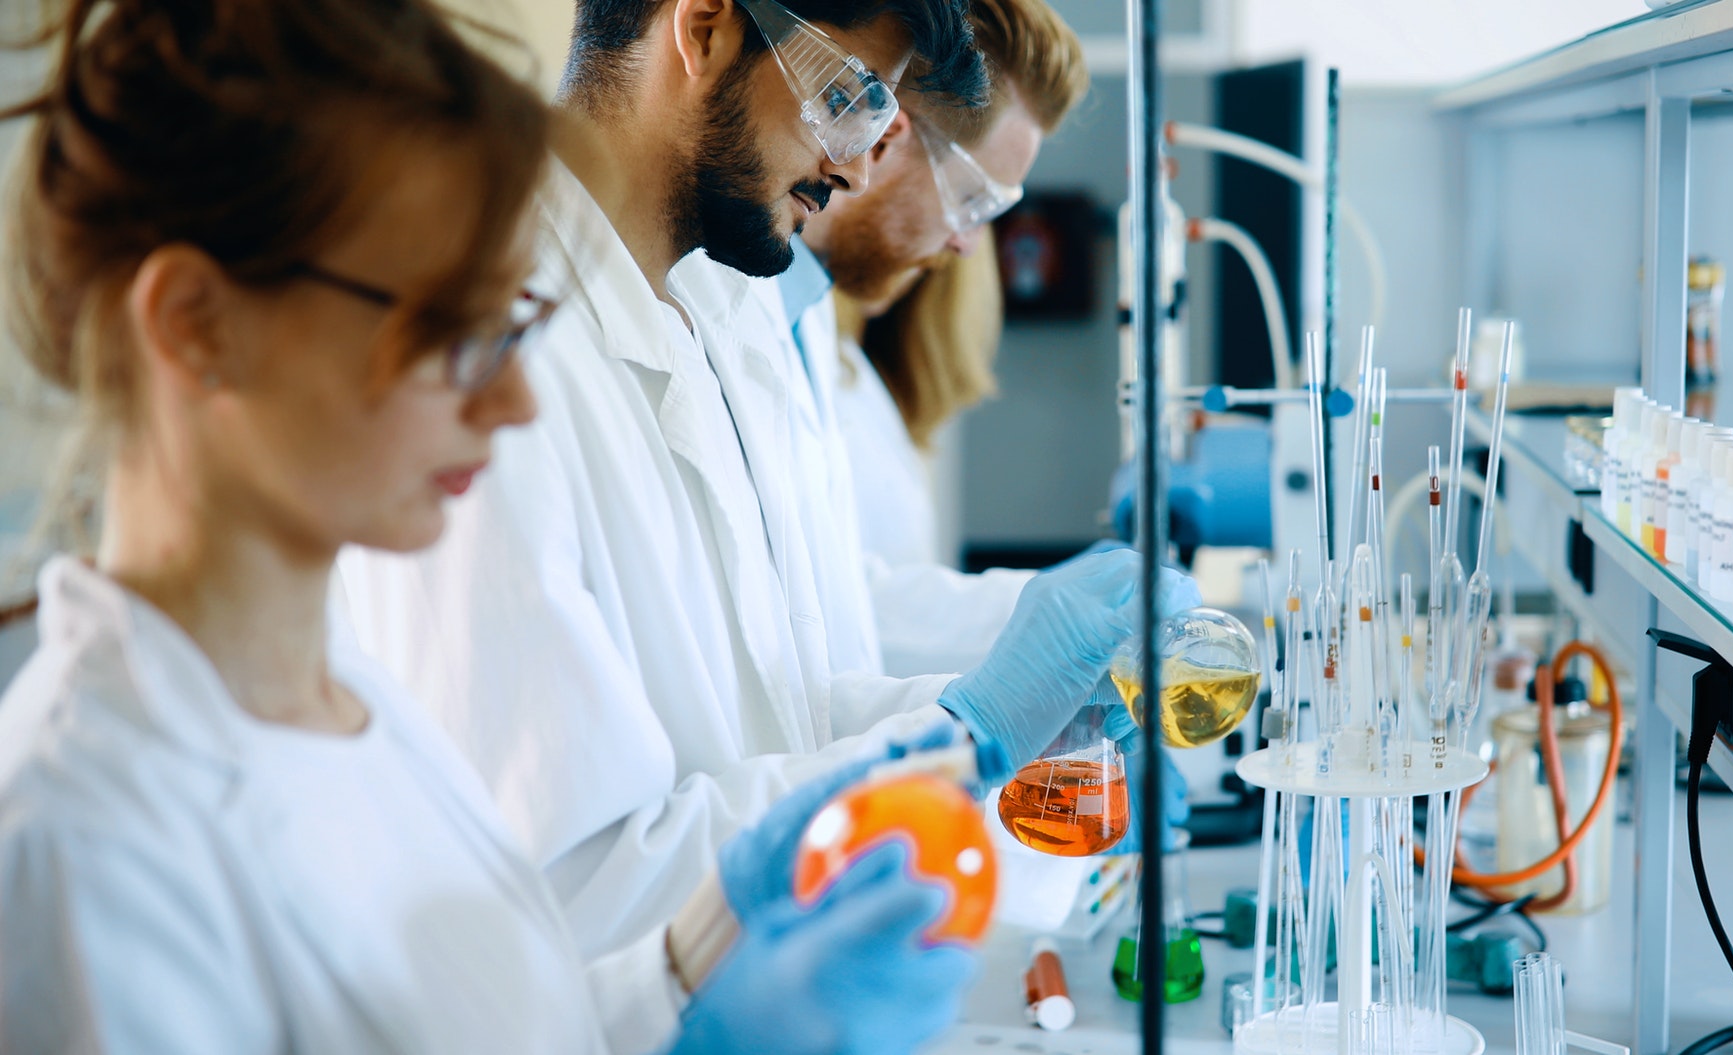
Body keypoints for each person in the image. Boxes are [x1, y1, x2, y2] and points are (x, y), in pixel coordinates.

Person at [0, 1, 973, 1052]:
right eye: (449, 330)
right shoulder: (88, 846)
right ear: (195, 323)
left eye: (510, 328)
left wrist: (690, 963)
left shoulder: (343, 692)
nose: (514, 404)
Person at [337, 0, 1192, 967]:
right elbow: (568, 889)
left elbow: (792, 713)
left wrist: (1005, 723)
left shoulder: (727, 314)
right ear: (702, 32)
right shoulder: (492, 358)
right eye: (850, 97)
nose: (862, 164)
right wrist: (965, 735)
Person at [787, 0, 1091, 679]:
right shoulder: (759, 315)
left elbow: (838, 601)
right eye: (975, 201)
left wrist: (1054, 606)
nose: (966, 242)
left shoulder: (808, 328)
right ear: (887, 139)